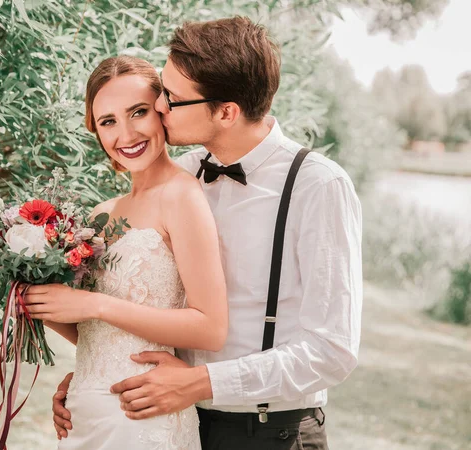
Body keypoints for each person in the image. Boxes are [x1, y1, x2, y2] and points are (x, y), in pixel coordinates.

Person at [53, 16, 363, 450]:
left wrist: (203, 383)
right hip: (171, 421)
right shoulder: (176, 175)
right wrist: (96, 380)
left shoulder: (316, 185)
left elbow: (332, 351)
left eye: (171, 99)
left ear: (226, 111)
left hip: (271, 430)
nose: (159, 107)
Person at [23, 55, 227, 450]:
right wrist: (38, 302)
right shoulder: (102, 214)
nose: (127, 134)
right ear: (95, 131)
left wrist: (94, 304)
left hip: (145, 416)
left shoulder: (182, 195)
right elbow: (96, 333)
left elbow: (210, 328)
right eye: (108, 121)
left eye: (138, 112)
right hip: (85, 412)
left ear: (163, 112)